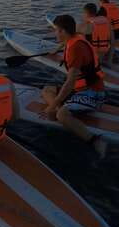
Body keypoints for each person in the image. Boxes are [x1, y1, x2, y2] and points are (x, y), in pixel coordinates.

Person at [42, 14, 108, 157]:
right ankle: (60, 109)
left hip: (93, 93)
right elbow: (79, 30)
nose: (54, 33)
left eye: (56, 30)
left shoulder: (75, 48)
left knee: (61, 115)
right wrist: (57, 48)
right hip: (79, 89)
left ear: (63, 31)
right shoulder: (74, 37)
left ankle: (95, 141)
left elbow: (70, 82)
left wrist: (53, 106)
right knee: (47, 89)